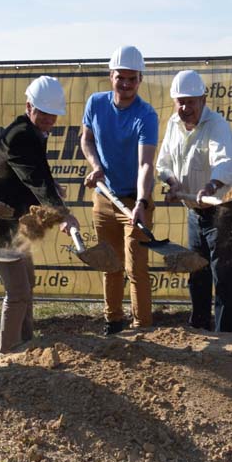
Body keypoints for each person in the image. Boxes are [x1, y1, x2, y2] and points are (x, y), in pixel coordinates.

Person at [0, 76, 80, 352]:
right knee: (17, 292)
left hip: (16, 225)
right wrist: (62, 214)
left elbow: (36, 173)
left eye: (53, 115)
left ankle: (27, 346)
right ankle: (7, 355)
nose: (50, 119)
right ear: (29, 106)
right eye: (44, 113)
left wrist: (53, 187)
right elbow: (36, 178)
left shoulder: (31, 131)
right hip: (1, 228)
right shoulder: (22, 136)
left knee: (28, 284)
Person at [80, 45, 160, 334]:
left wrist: (140, 201)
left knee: (136, 267)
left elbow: (146, 166)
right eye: (120, 77)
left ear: (140, 79)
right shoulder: (96, 103)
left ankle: (142, 327)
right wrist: (95, 166)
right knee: (110, 264)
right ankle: (112, 322)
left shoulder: (146, 115)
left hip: (134, 200)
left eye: (132, 79)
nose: (125, 84)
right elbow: (86, 141)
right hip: (103, 198)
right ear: (110, 75)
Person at [157, 69, 232, 332]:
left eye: (191, 101)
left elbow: (225, 164)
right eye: (180, 102)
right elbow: (164, 163)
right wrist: (173, 183)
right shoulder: (173, 124)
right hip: (195, 213)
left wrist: (210, 186)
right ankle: (199, 330)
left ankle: (225, 334)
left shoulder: (217, 126)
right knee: (197, 273)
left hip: (222, 213)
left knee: (223, 277)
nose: (185, 107)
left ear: (203, 100)